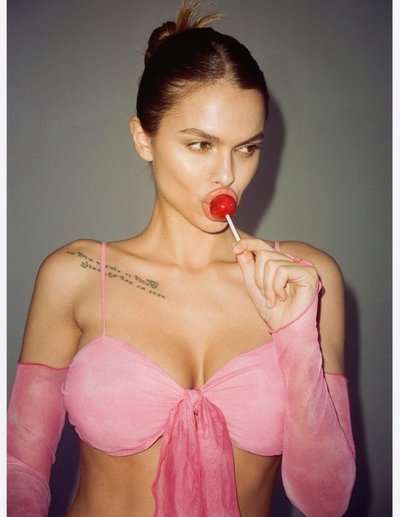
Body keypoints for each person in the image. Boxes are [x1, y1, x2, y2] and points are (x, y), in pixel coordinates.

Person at [7, 2, 356, 516]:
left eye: (247, 148)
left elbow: (327, 501)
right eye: (200, 145)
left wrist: (296, 339)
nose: (227, 175)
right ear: (143, 138)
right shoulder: (76, 275)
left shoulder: (305, 279)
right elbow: (19, 467)